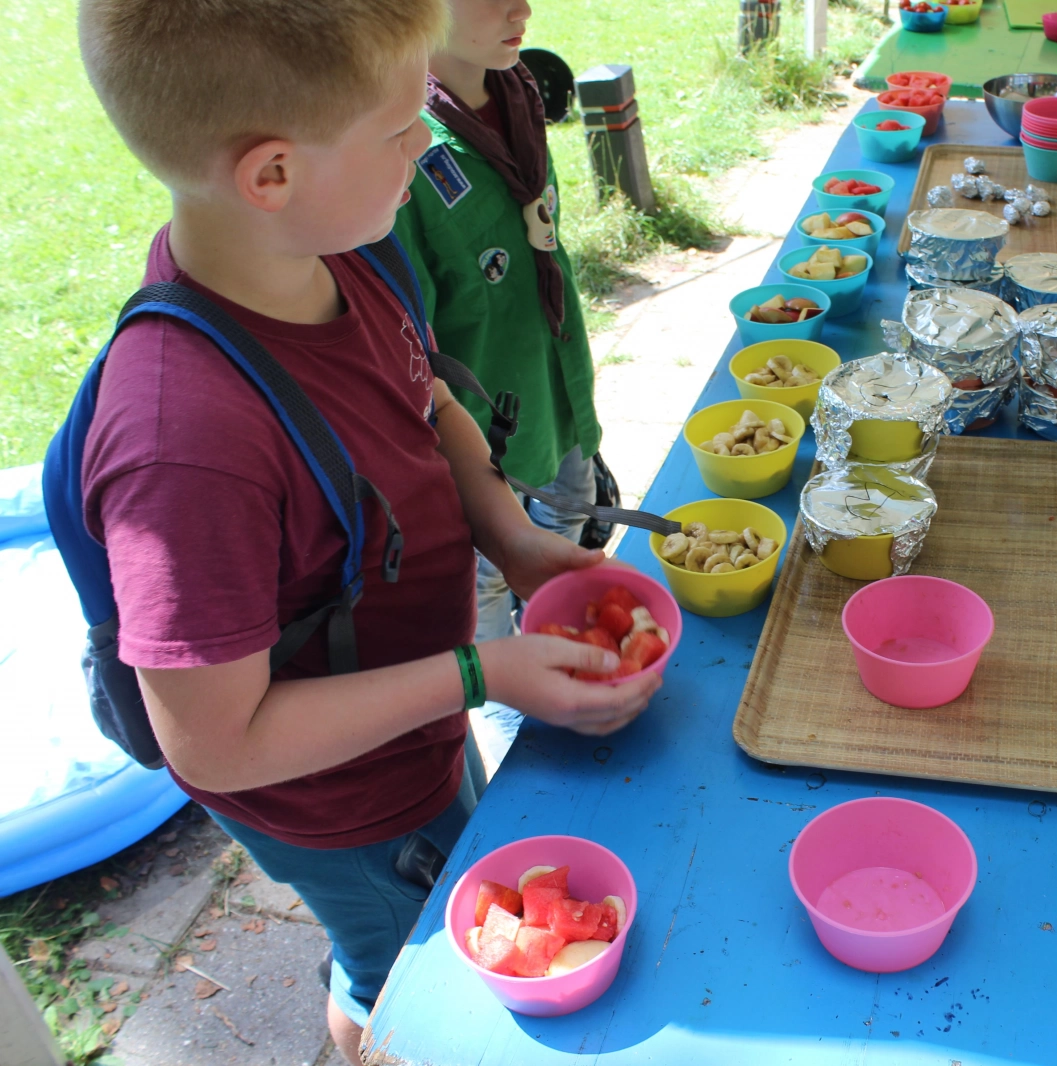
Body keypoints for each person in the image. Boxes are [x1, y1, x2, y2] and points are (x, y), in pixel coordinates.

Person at [74, 2, 660, 1061]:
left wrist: (509, 536)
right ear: (272, 173)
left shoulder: (341, 246)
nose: (425, 145)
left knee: (446, 877)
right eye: (399, 129)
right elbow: (212, 740)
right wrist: (480, 672)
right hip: (339, 800)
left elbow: (425, 395)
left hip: (417, 714)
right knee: (401, 968)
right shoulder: (184, 443)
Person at [391, 0, 606, 770]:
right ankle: (515, 740)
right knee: (484, 595)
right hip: (479, 452)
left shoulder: (517, 94)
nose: (521, 8)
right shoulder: (402, 152)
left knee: (568, 548)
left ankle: (569, 667)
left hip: (557, 403)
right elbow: (410, 350)